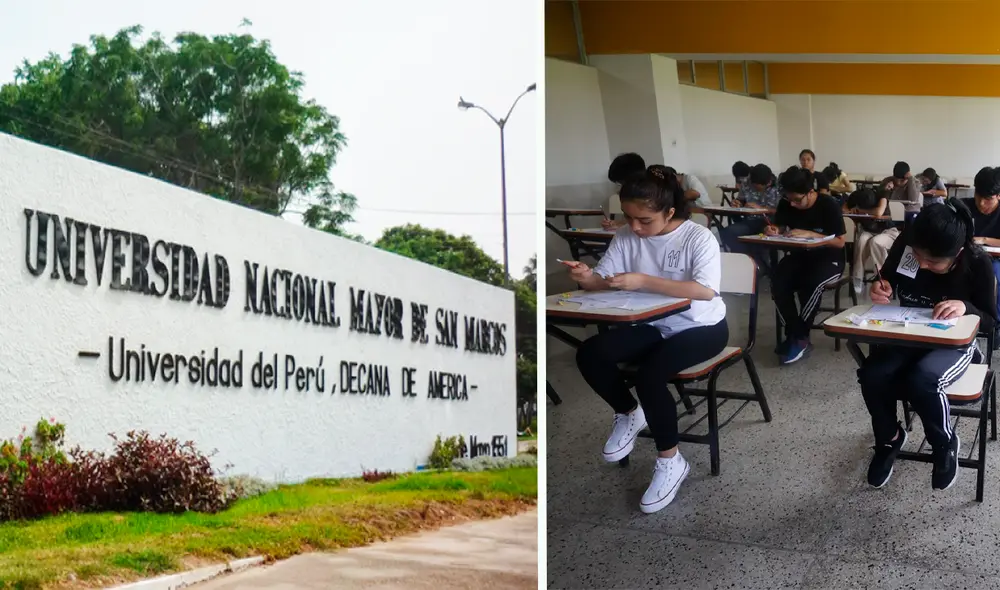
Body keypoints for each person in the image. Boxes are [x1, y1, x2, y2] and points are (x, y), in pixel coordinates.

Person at [568, 165, 728, 514]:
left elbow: (705, 290)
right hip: (653, 324)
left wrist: (643, 281)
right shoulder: (627, 235)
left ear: (669, 212)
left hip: (700, 326)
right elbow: (602, 281)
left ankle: (671, 461)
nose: (635, 227)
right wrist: (586, 277)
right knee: (591, 353)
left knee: (650, 376)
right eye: (628, 217)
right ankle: (629, 412)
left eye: (644, 220)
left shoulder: (697, 237)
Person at [861, 199, 996, 490]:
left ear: (956, 254)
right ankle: (890, 437)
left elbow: (991, 321)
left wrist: (966, 307)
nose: (922, 264)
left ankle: (943, 443)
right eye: (918, 256)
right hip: (909, 334)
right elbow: (887, 277)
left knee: (922, 379)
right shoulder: (909, 244)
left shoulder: (977, 263)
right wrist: (881, 286)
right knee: (872, 373)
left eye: (933, 262)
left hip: (954, 344)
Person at [768, 166, 847, 364]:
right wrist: (774, 229)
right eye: (789, 199)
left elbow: (840, 242)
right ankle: (796, 334)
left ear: (810, 192)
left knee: (811, 283)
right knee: (778, 281)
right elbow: (779, 225)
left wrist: (813, 235)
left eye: (797, 200)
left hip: (829, 258)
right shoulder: (786, 203)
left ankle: (799, 337)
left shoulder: (828, 204)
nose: (792, 204)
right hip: (799, 255)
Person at [720, 164, 781, 271]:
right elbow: (741, 200)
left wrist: (761, 208)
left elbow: (781, 210)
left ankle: (761, 267)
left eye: (758, 186)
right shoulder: (747, 183)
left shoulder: (777, 187)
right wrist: (737, 203)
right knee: (728, 232)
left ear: (768, 183)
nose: (755, 188)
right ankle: (751, 262)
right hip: (750, 221)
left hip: (769, 222)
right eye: (754, 185)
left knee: (763, 238)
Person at [961, 166, 1000, 330]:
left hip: (995, 259)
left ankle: (995, 323)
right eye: (978, 196)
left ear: (998, 196)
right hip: (966, 257)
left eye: (988, 199)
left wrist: (984, 240)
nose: (982, 203)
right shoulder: (964, 206)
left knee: (994, 273)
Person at [844, 188, 898, 296]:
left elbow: (878, 213)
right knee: (861, 241)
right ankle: (858, 276)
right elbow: (844, 209)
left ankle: (883, 277)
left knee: (876, 242)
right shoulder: (856, 199)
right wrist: (851, 211)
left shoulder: (881, 198)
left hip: (888, 232)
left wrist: (861, 211)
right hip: (869, 232)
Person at [602, 153, 646, 230]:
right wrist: (616, 223)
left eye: (621, 183)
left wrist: (620, 225)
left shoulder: (651, 195)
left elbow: (646, 222)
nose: (621, 188)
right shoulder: (632, 194)